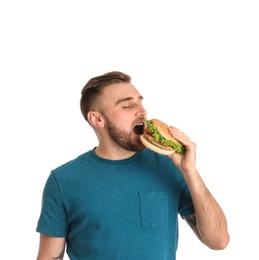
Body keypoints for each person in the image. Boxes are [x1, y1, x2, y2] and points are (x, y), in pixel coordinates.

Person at [36, 71, 230, 260]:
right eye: (128, 106)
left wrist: (190, 171)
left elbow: (219, 241)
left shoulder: (168, 165)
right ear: (97, 119)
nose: (142, 111)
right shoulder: (63, 180)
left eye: (140, 102)